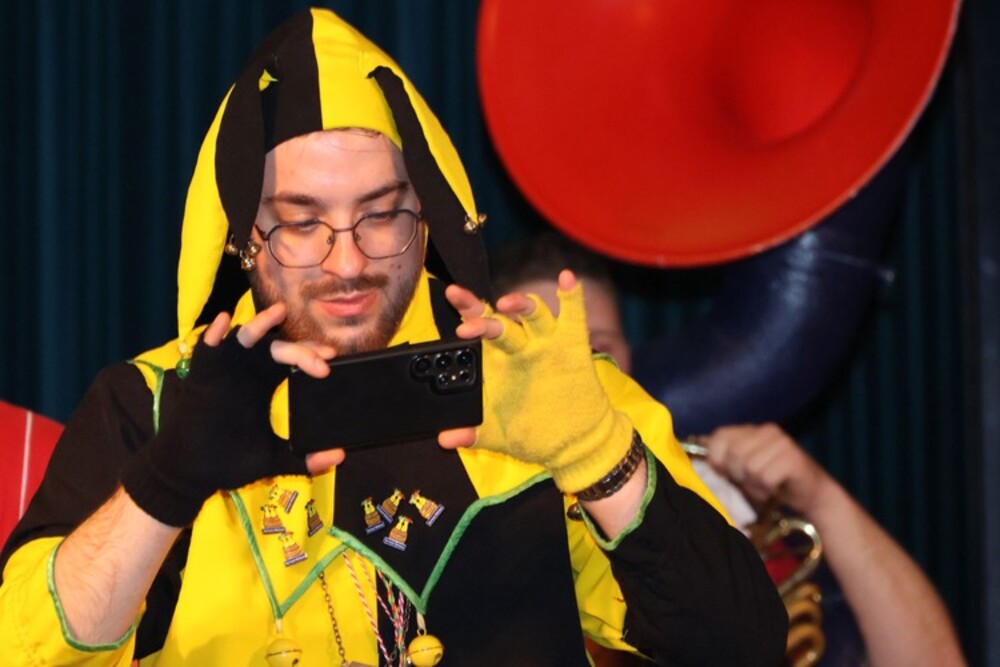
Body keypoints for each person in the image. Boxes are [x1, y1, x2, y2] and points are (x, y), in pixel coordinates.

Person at [0, 9, 786, 667]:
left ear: (429, 213)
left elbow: (742, 645)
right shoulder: (149, 405)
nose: (348, 262)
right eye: (301, 223)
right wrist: (166, 483)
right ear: (242, 238)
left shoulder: (531, 382)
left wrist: (597, 456)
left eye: (380, 215)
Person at [492, 232, 966, 667]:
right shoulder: (467, 509)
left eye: (597, 347)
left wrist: (821, 497)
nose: (576, 370)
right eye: (543, 349)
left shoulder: (708, 493)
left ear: (629, 356)